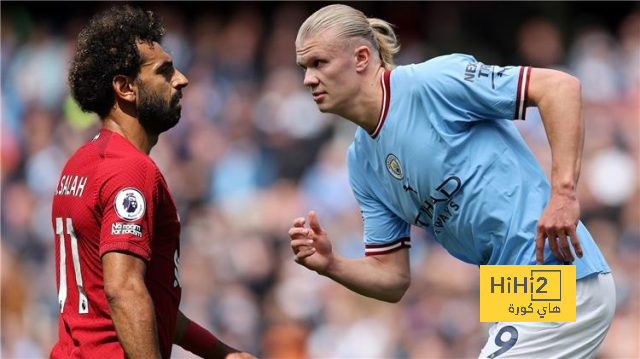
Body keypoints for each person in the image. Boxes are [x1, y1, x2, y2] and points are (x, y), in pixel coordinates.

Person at [288, 4, 615, 358]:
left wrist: (563, 194)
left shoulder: (431, 82)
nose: (308, 79)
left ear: (362, 58)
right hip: (511, 290)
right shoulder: (361, 163)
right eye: (304, 68)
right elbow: (393, 276)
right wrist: (332, 264)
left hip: (561, 272)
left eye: (319, 63)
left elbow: (559, 87)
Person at [51, 6, 254, 359]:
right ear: (126, 88)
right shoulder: (131, 170)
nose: (181, 79)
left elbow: (146, 302)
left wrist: (220, 352)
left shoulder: (78, 163)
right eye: (165, 72)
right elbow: (124, 290)